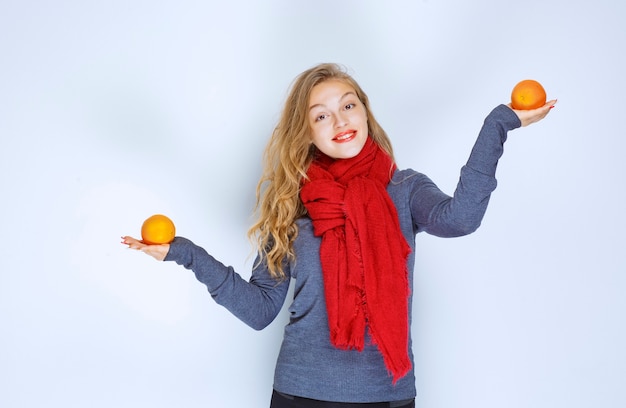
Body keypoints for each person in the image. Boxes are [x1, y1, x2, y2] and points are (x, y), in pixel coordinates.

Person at [122, 63, 556, 407]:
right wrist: (185, 254)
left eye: (348, 105)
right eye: (321, 115)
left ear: (365, 110)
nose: (340, 121)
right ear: (307, 131)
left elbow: (460, 218)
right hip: (300, 395)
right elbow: (259, 309)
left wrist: (499, 125)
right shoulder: (292, 205)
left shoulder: (405, 190)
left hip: (386, 395)